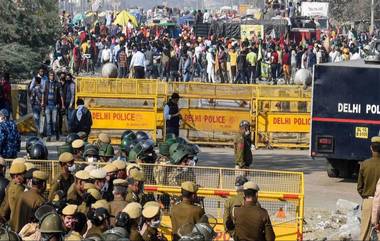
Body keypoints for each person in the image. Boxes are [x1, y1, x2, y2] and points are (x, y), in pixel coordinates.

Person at [357, 136, 380, 240]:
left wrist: (367, 197)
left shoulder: (364, 164)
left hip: (369, 201)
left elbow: (359, 187)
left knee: (364, 234)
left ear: (371, 148)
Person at [0, 161, 26, 230]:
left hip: (12, 225)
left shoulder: (10, 185)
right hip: (19, 225)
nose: (25, 176)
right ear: (16, 176)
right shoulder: (18, 189)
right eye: (23, 174)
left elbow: (5, 208)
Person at [42, 71, 64, 142]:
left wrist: (62, 104)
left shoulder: (58, 84)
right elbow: (43, 93)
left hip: (55, 105)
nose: (52, 76)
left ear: (54, 76)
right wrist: (42, 102)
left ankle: (57, 134)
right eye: (50, 75)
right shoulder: (47, 83)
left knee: (55, 121)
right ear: (49, 76)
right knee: (48, 121)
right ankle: (49, 136)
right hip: (47, 105)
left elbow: (61, 95)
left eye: (53, 75)